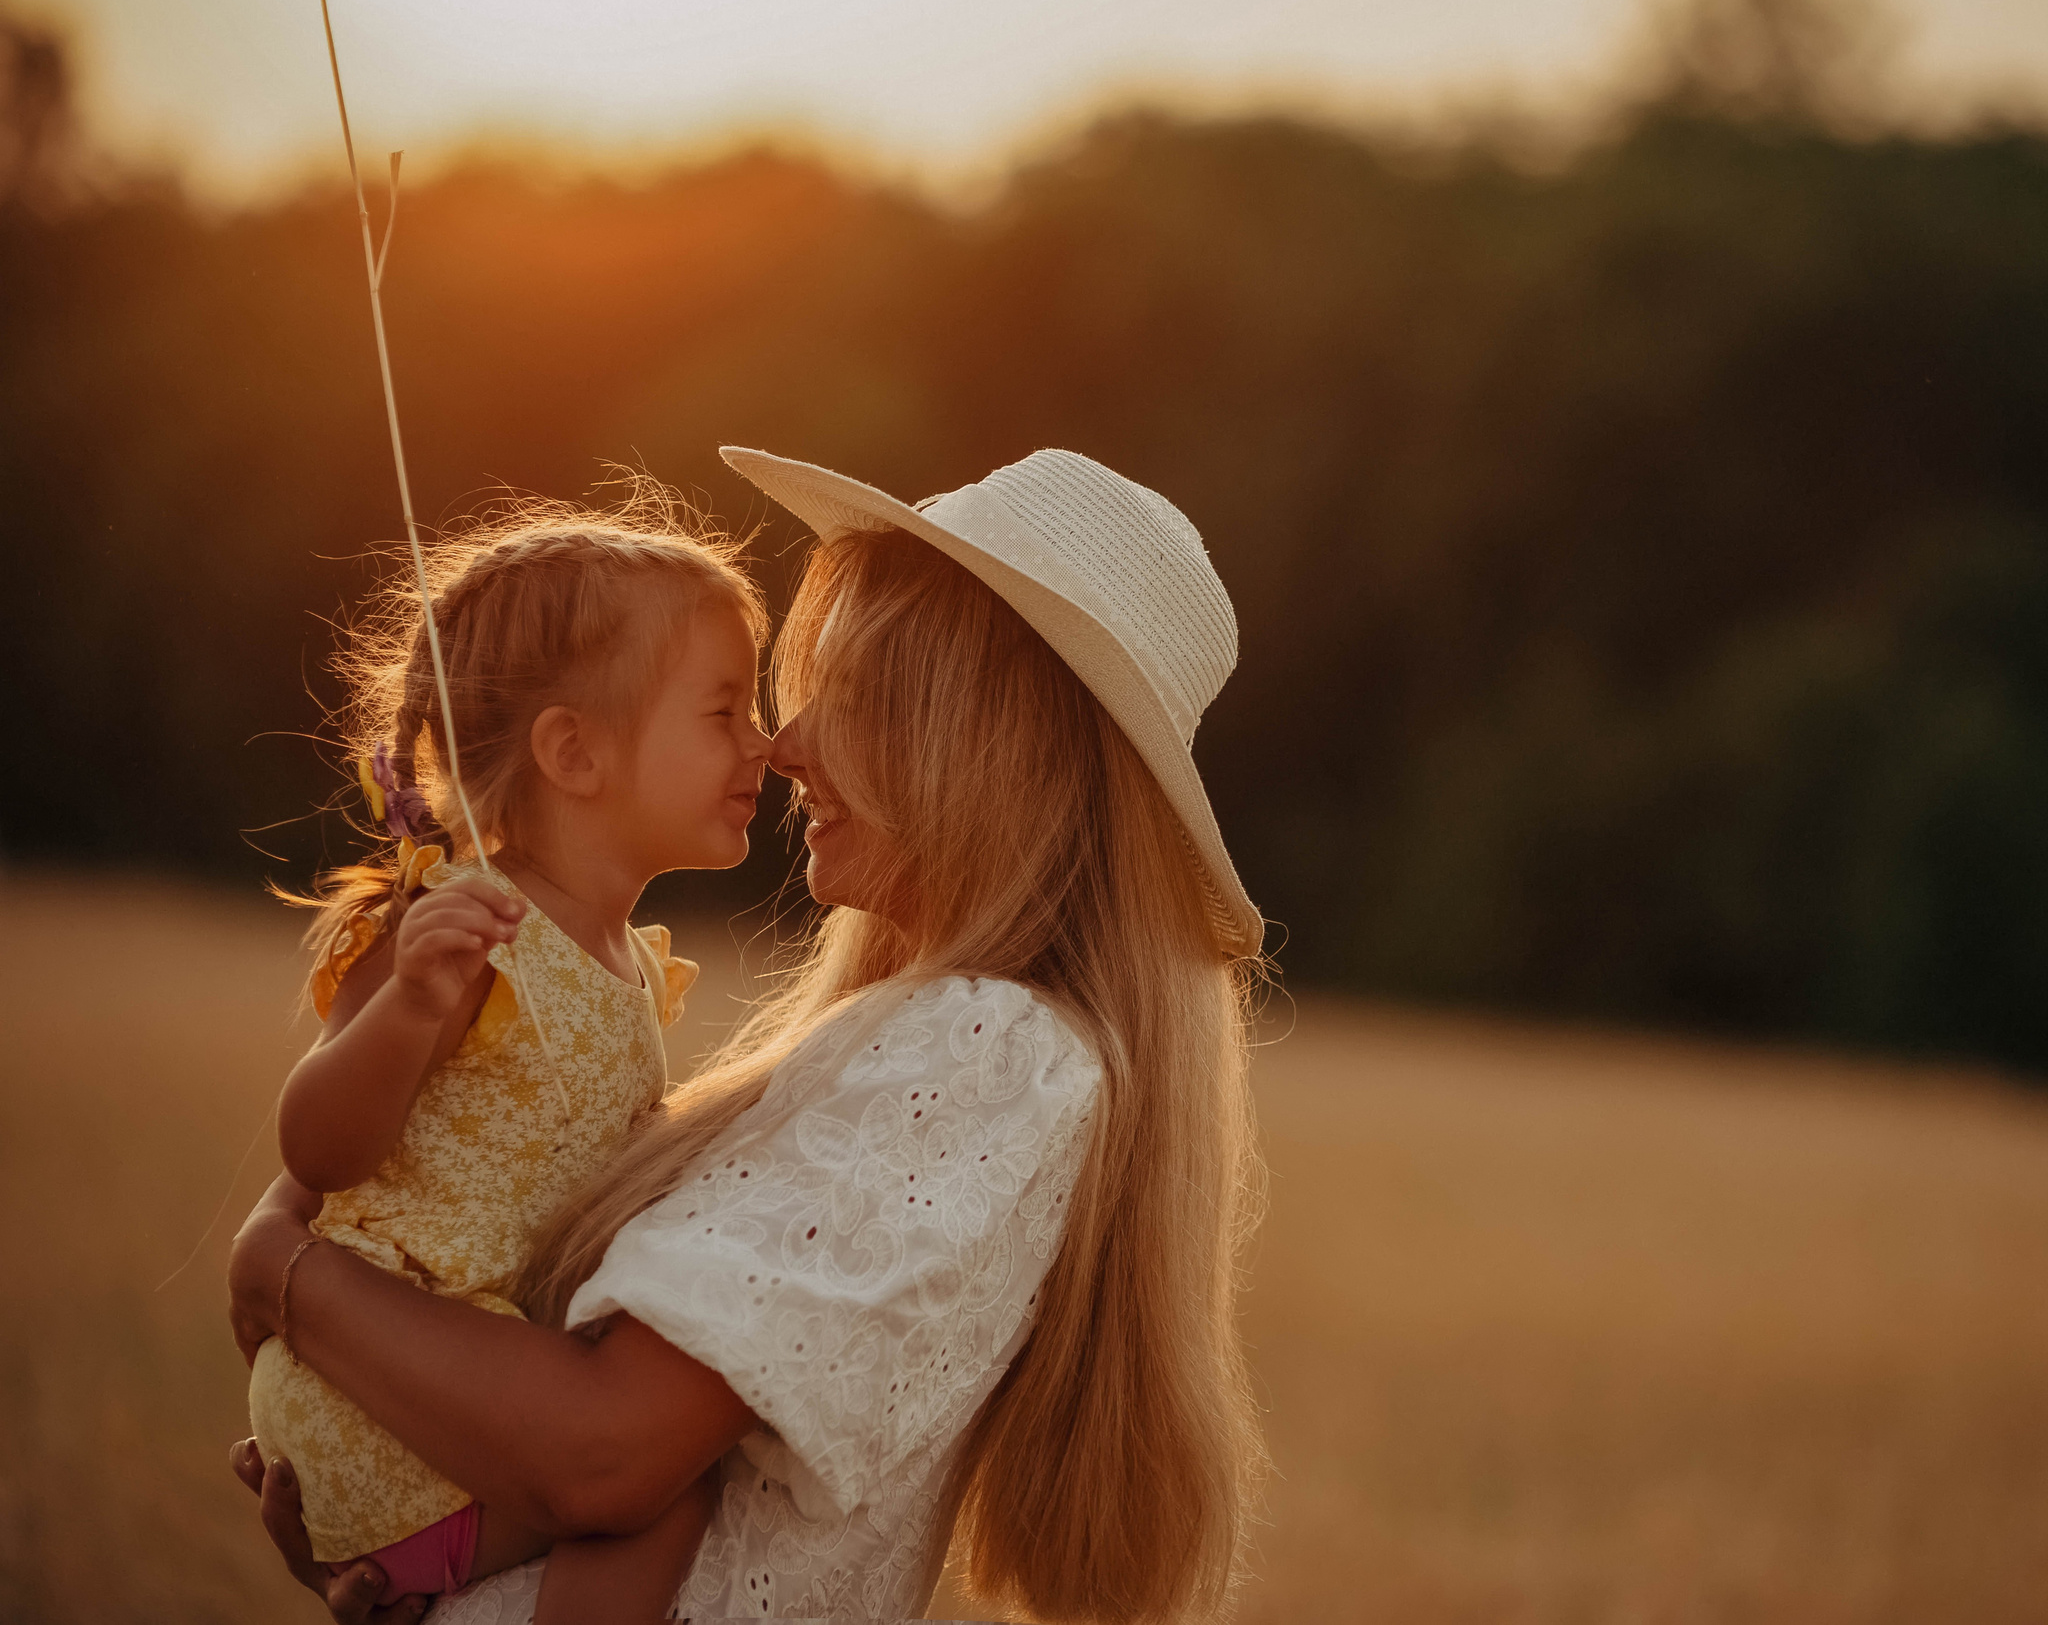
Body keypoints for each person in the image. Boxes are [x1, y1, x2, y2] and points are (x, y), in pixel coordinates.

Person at [228, 447, 1270, 1623]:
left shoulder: (988, 1050)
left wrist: (286, 1268)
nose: (785, 744)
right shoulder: (933, 1035)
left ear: (987, 741)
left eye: (859, 695)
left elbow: (601, 1456)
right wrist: (415, 1548)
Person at [243, 502, 772, 1622]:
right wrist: (405, 1011)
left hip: (456, 1377)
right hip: (385, 1386)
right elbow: (316, 1148)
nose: (762, 742)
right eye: (725, 712)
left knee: (653, 1476)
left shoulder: (623, 957)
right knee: (651, 1493)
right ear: (573, 752)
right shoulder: (467, 933)